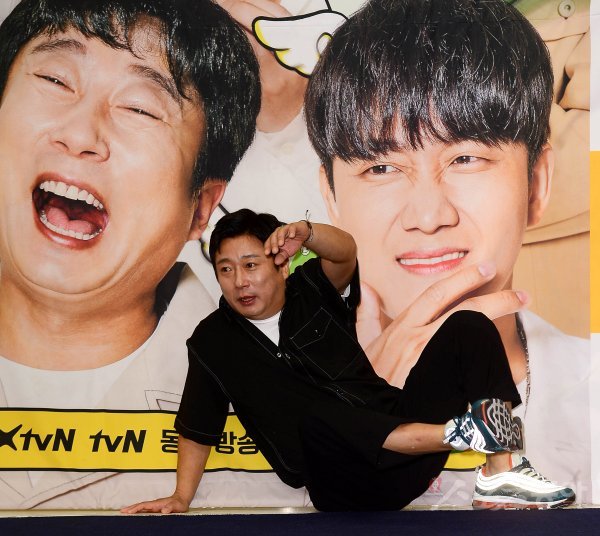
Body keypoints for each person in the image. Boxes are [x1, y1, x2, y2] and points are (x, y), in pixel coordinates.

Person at [0, 0, 307, 510]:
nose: (79, 135)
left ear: (201, 208)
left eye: (139, 109)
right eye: (55, 80)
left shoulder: (271, 397)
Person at [303, 0, 590, 504]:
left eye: (466, 158)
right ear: (331, 198)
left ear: (536, 184)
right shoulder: (276, 378)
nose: (429, 215)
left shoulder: (589, 388)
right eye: (381, 168)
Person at [123, 208, 574, 513]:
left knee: (469, 325)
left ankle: (500, 475)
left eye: (251, 264)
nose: (239, 281)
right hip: (342, 482)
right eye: (226, 269)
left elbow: (346, 252)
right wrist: (181, 497)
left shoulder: (311, 290)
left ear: (281, 264)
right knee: (316, 416)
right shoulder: (212, 341)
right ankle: (460, 434)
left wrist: (307, 232)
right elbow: (198, 426)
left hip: (405, 456)